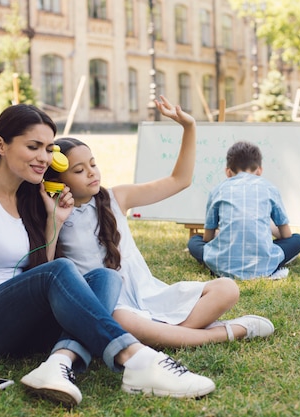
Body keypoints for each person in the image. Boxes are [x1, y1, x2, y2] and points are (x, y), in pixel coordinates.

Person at [0, 104, 215, 407]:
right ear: (0, 144)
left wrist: (55, 222)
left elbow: (41, 271)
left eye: (48, 148)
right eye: (33, 146)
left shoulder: (29, 198)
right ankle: (136, 359)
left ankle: (58, 364)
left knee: (105, 277)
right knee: (61, 271)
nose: (43, 158)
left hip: (17, 327)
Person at [46, 96, 275, 348]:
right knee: (121, 321)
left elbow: (179, 180)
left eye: (93, 164)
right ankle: (228, 331)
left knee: (227, 289)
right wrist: (55, 219)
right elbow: (48, 270)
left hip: (149, 294)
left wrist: (189, 127)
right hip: (112, 305)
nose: (91, 173)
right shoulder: (52, 214)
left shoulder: (116, 197)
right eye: (78, 171)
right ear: (56, 181)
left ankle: (171, 335)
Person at [187, 141, 300, 280]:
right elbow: (286, 235)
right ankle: (267, 261)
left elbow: (207, 238)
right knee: (298, 240)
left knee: (194, 241)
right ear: (259, 170)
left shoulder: (217, 190)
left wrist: (221, 233)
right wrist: (268, 227)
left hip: (221, 266)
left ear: (228, 172)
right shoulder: (269, 188)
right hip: (264, 265)